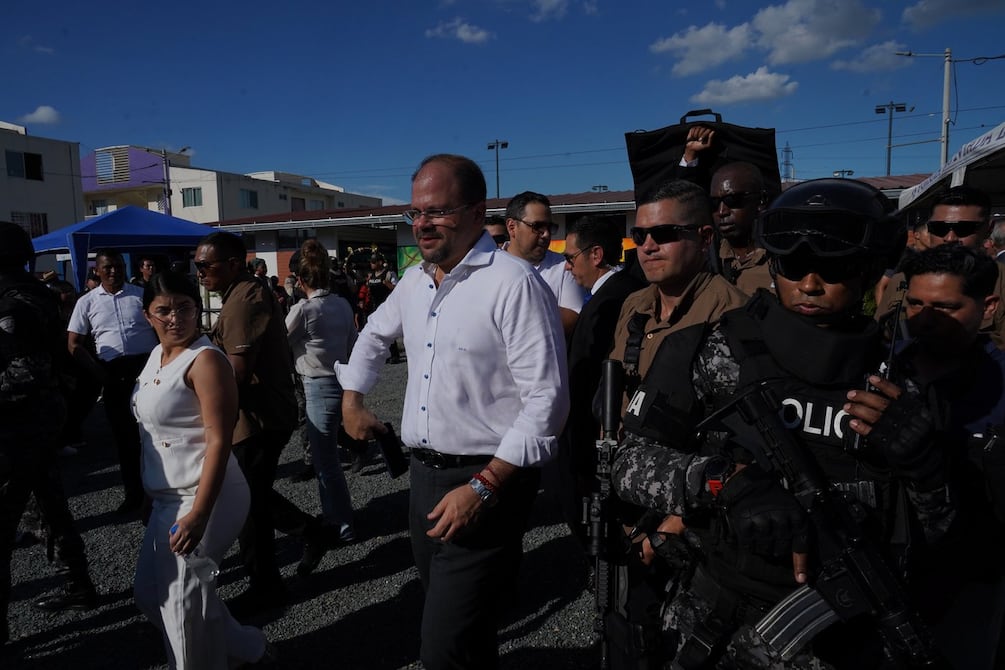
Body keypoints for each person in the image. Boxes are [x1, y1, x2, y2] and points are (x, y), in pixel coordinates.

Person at [611, 179, 951, 668]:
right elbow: (629, 463)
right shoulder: (710, 350)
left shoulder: (902, 383)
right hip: (719, 621)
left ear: (870, 268)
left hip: (850, 632)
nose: (809, 284)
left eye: (833, 267)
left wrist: (923, 465)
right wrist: (723, 483)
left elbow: (939, 531)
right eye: (792, 266)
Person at [336, 154, 569, 669]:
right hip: (424, 478)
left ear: (476, 212)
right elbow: (373, 335)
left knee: (442, 648)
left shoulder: (513, 283)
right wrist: (353, 398)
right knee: (468, 631)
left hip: (487, 481)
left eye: (437, 212)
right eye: (415, 212)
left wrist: (484, 487)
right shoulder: (416, 281)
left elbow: (547, 402)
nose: (422, 224)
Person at [132, 271, 275, 668]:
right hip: (167, 497)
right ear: (147, 316)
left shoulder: (206, 360)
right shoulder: (157, 356)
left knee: (181, 605)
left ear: (198, 309)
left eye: (185, 307)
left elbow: (219, 440)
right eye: (164, 310)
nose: (175, 318)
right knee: (151, 594)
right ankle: (250, 648)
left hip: (206, 493)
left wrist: (199, 513)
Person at [194, 232, 329, 613]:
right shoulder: (238, 294)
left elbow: (235, 372)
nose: (200, 272)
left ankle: (269, 582)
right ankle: (305, 540)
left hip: (258, 418)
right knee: (250, 497)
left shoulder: (244, 299)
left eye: (205, 265)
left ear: (233, 264)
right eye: (197, 265)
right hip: (255, 414)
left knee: (247, 502)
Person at [897, 243, 1005, 668]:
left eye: (945, 307)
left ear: (988, 307)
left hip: (970, 586)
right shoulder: (881, 368)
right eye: (915, 304)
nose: (924, 320)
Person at [0, 223, 97, 640]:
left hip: (18, 425)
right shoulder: (28, 293)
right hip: (34, 421)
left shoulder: (16, 302)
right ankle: (78, 584)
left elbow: (29, 371)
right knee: (47, 506)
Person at [67, 248, 158, 514]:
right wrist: (99, 373)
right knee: (125, 439)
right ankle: (134, 496)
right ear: (97, 270)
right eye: (107, 267)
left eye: (118, 265)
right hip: (113, 374)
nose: (114, 271)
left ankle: (162, 493)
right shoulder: (86, 302)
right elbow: (73, 344)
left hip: (147, 370)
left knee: (156, 433)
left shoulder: (141, 295)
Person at [285, 239, 357, 554]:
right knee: (330, 459)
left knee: (326, 463)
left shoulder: (303, 309)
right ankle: (336, 517)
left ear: (300, 280)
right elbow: (353, 344)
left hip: (316, 384)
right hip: (340, 380)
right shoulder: (342, 304)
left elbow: (280, 341)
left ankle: (341, 524)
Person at [875, 185, 1005, 348]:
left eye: (964, 229)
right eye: (939, 228)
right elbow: (880, 335)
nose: (950, 238)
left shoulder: (1001, 282)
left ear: (988, 229)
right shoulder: (902, 279)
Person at [505, 191, 587, 336]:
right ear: (512, 227)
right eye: (537, 227)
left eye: (549, 227)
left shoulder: (564, 266)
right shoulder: (489, 266)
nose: (546, 234)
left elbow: (573, 317)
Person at [709, 161, 774, 294]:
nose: (721, 211)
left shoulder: (781, 263)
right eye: (714, 203)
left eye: (732, 200)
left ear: (761, 200)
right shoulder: (706, 259)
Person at [365, 253, 401, 363]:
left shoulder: (389, 274)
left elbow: (398, 289)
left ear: (380, 262)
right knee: (377, 331)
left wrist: (387, 284)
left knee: (389, 331)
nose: (371, 264)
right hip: (375, 306)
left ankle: (394, 354)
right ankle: (383, 354)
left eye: (373, 262)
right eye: (371, 262)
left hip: (387, 306)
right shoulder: (371, 275)